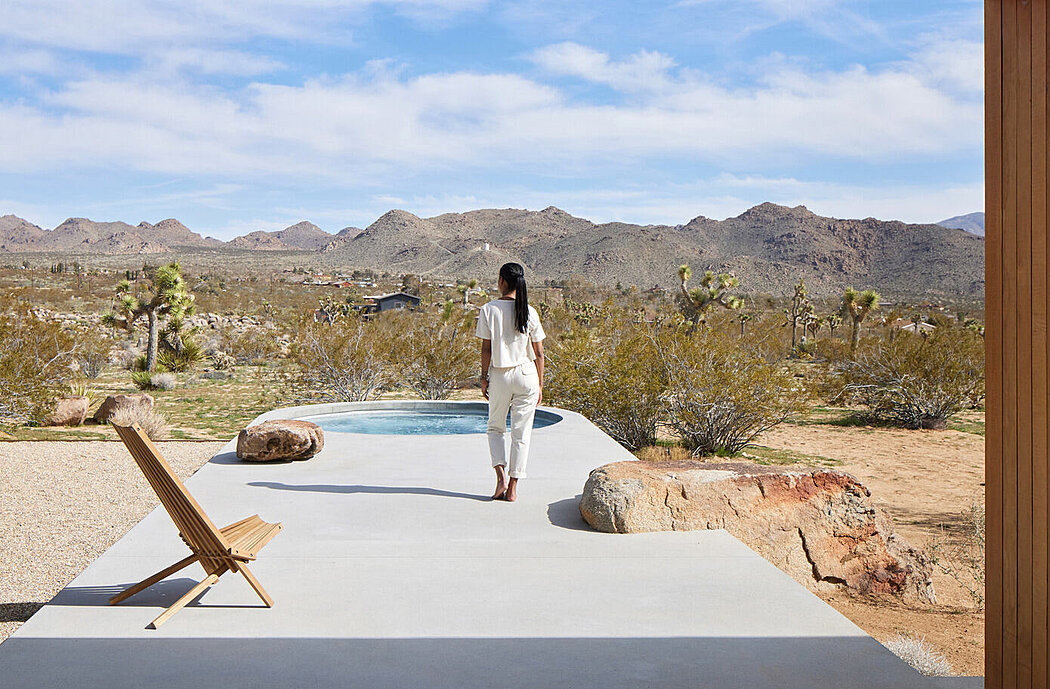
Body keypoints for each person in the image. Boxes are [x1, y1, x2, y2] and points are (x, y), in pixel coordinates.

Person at [475, 262, 546, 502]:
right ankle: (514, 487)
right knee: (521, 432)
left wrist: (483, 378)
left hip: (500, 374)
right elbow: (539, 353)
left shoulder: (489, 309)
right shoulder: (530, 311)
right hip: (527, 375)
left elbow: (486, 349)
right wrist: (540, 384)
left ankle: (500, 477)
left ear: (502, 281)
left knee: (495, 428)